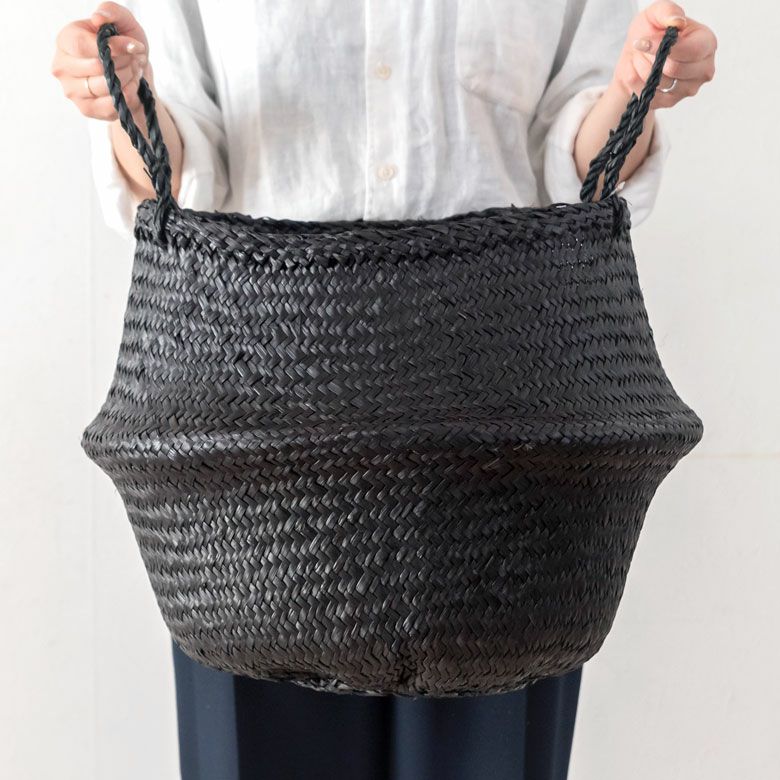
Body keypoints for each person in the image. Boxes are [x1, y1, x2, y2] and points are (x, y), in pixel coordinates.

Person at [52, 2, 717, 778]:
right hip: (250, 411)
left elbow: (581, 167)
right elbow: (182, 170)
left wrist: (640, 84)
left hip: (509, 407)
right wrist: (122, 97)